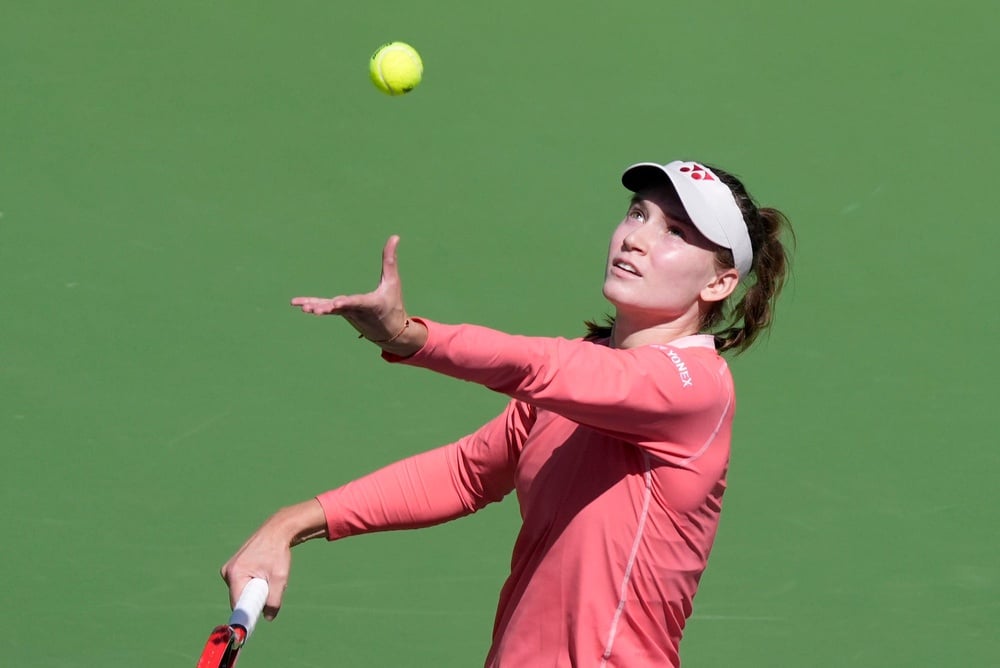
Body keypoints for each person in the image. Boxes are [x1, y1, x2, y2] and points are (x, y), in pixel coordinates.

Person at [220, 159, 794, 667]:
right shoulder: (583, 378)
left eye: (674, 232)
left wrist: (405, 334)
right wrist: (291, 522)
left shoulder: (694, 388)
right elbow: (467, 473)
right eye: (637, 214)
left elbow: (538, 369)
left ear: (720, 283)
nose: (635, 239)